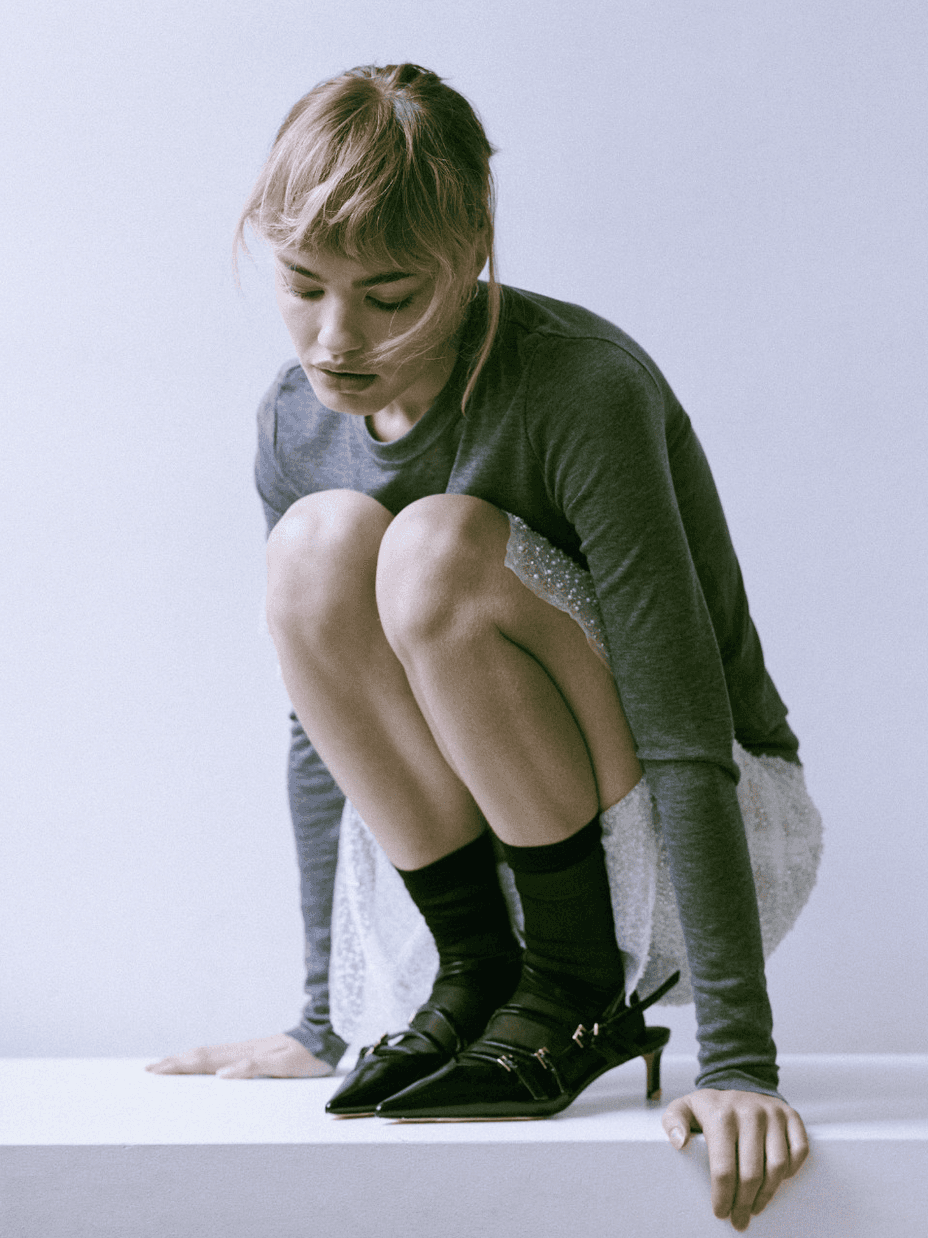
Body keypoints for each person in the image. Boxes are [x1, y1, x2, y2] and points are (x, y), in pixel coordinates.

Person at [149, 63, 823, 1229]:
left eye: (388, 293)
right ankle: (482, 974)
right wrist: (324, 1011)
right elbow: (321, 727)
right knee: (316, 548)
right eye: (303, 286)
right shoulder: (295, 419)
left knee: (435, 547)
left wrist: (738, 1060)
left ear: (473, 257)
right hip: (473, 902)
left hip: (679, 855)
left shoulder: (577, 384)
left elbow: (681, 717)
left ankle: (570, 988)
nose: (335, 338)